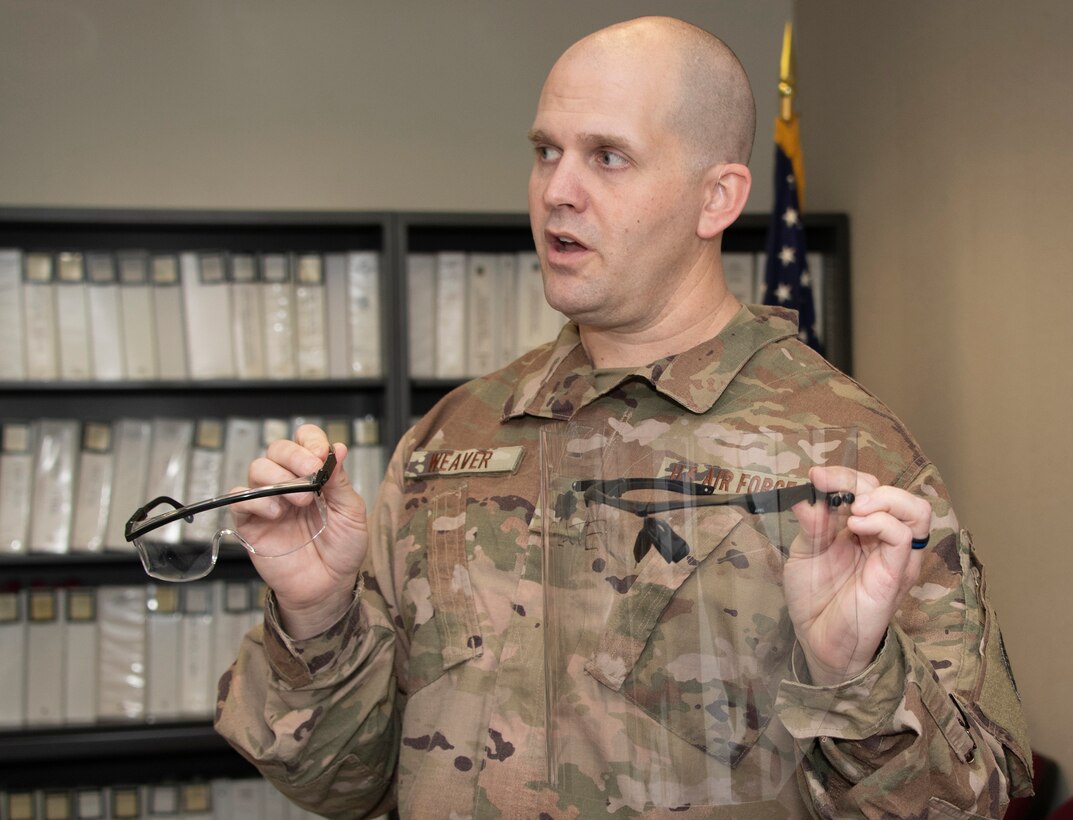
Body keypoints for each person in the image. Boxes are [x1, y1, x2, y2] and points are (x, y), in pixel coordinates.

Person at [215, 16, 1032, 818]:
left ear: (716, 198)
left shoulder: (844, 456)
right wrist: (317, 616)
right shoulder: (449, 440)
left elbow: (971, 806)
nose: (555, 192)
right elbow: (340, 786)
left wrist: (857, 676)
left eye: (607, 157)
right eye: (545, 152)